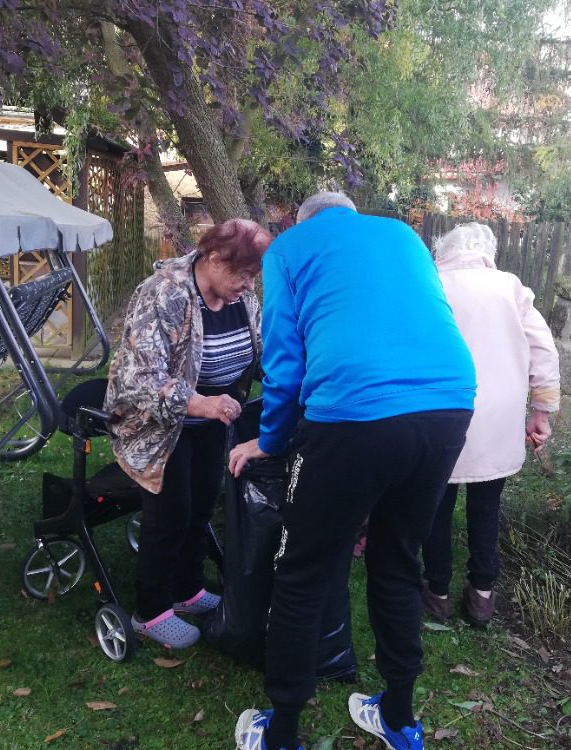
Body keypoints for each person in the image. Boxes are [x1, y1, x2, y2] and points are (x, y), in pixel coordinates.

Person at [228, 192, 476, 750]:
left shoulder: (288, 248)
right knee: (398, 560)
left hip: (351, 412)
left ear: (303, 219)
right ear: (350, 212)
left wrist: (271, 441)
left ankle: (281, 734)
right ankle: (399, 718)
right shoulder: (403, 235)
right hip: (449, 402)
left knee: (303, 571)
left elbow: (284, 362)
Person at [103, 218, 272, 649]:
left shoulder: (241, 298)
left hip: (212, 420)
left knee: (201, 504)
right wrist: (204, 404)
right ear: (213, 258)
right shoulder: (164, 293)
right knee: (171, 512)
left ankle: (187, 589)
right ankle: (151, 611)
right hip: (156, 425)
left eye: (254, 276)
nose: (249, 286)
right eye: (243, 274)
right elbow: (140, 381)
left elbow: (257, 351)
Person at [420, 222, 560, 628]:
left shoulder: (432, 284)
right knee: (486, 504)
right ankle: (482, 593)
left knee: (437, 505)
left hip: (445, 411)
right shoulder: (510, 287)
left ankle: (438, 591)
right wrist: (541, 411)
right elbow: (544, 349)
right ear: (486, 253)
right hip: (498, 414)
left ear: (443, 251)